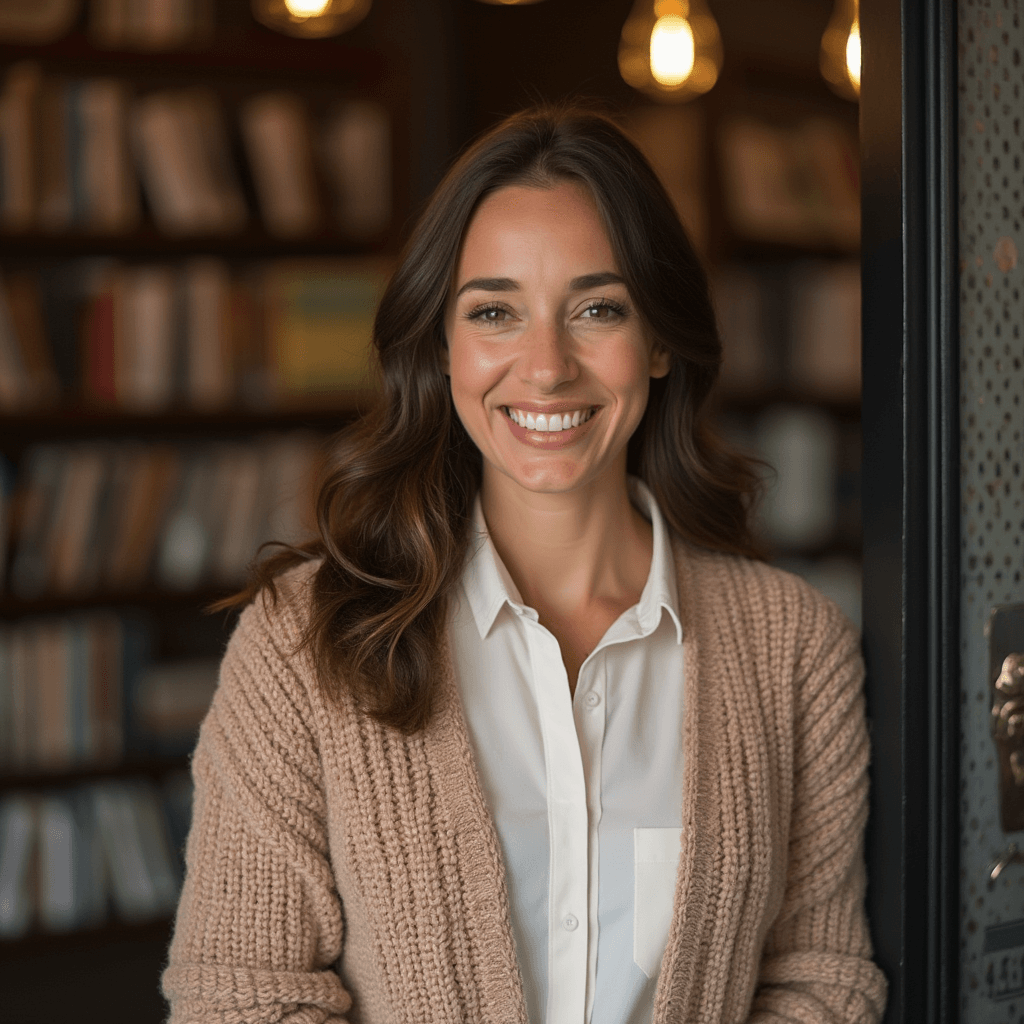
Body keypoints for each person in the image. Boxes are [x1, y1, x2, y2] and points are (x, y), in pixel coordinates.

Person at [162, 105, 887, 1024]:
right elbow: (242, 999)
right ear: (443, 346)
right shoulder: (304, 644)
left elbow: (816, 978)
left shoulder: (793, 646)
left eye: (597, 309)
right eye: (495, 312)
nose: (545, 368)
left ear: (660, 341)